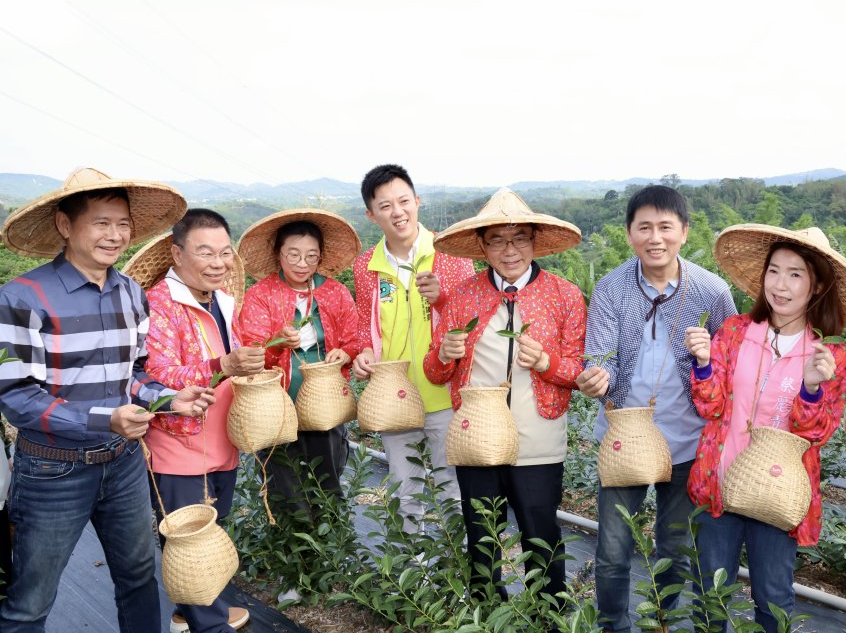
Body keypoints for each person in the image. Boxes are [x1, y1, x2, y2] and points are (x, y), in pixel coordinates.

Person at [0, 168, 214, 633]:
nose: (115, 235)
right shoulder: (22, 297)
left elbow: (134, 375)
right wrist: (104, 420)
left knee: (137, 573)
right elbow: (15, 395)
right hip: (52, 469)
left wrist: (168, 399)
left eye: (122, 224)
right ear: (64, 224)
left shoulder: (130, 293)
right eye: (101, 222)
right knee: (31, 596)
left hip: (122, 465)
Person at [685, 224, 846, 633]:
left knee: (772, 596)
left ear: (817, 285)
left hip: (778, 493)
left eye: (795, 274)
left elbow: (816, 433)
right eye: (774, 271)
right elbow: (710, 407)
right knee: (710, 590)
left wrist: (812, 387)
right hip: (720, 482)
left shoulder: (829, 354)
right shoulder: (735, 331)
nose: (780, 285)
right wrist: (703, 363)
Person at [575, 184, 736, 633]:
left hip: (687, 439)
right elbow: (599, 355)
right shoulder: (611, 288)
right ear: (630, 233)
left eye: (666, 227)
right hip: (624, 437)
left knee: (675, 546)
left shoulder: (712, 291)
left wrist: (707, 357)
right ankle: (612, 628)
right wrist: (597, 378)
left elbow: (729, 362)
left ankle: (660, 624)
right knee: (613, 546)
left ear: (684, 232)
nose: (655, 237)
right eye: (644, 227)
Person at [423, 187, 586, 601]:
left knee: (541, 533)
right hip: (477, 437)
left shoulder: (564, 295)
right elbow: (435, 372)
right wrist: (443, 354)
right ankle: (487, 618)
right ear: (482, 246)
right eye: (497, 240)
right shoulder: (464, 295)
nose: (509, 250)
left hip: (539, 438)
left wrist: (546, 362)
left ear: (535, 242)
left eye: (519, 239)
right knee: (481, 535)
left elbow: (578, 371)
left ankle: (548, 621)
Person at [126, 210, 269, 633]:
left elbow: (230, 360)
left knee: (212, 528)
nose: (218, 262)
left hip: (219, 439)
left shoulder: (222, 300)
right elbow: (156, 375)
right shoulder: (159, 305)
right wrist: (222, 365)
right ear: (176, 254)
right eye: (205, 252)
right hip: (178, 444)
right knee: (193, 541)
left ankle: (191, 612)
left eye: (224, 252)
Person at [351, 164, 474, 534]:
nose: (397, 212)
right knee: (406, 494)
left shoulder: (451, 256)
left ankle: (458, 566)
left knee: (454, 492)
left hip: (445, 396)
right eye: (385, 206)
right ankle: (414, 566)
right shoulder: (366, 266)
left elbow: (474, 322)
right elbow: (365, 325)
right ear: (371, 215)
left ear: (417, 202)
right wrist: (363, 354)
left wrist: (443, 299)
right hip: (394, 398)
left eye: (403, 201)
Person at [238, 209, 362, 572]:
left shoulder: (334, 292)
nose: (302, 263)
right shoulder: (261, 294)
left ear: (320, 257)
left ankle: (334, 552)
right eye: (293, 254)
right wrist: (277, 341)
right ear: (278, 253)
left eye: (311, 256)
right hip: (277, 403)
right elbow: (251, 349)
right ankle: (298, 563)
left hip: (324, 401)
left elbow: (355, 337)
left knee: (328, 474)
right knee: (284, 480)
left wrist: (346, 352)